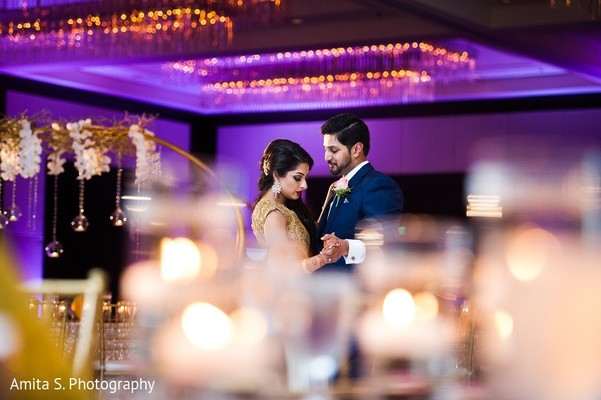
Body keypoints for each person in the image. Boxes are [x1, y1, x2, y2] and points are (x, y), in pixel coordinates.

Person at [317, 113, 404, 273]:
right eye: (325, 149)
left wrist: (345, 247)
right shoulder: (337, 187)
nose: (326, 157)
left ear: (357, 149)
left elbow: (385, 243)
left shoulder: (380, 185)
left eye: (334, 150)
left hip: (355, 290)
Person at [251, 138, 329, 273]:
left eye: (305, 178)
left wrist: (330, 198)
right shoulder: (273, 213)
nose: (304, 185)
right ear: (276, 175)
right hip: (289, 291)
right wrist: (324, 258)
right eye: (298, 178)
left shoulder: (284, 206)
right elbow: (284, 270)